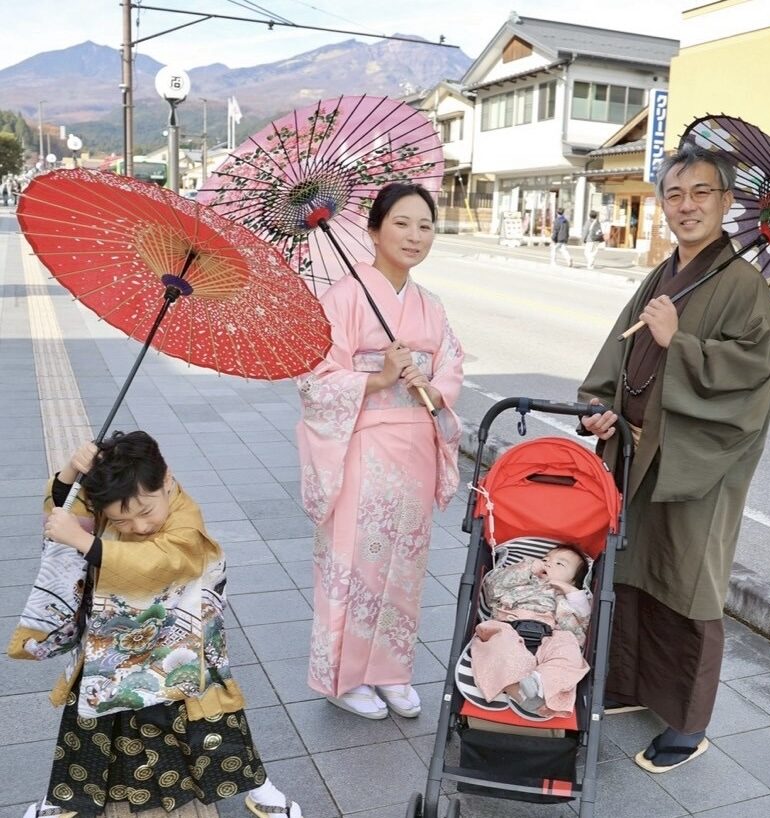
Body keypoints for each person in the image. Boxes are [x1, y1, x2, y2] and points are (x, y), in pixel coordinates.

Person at [576, 143, 770, 772]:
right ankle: (631, 685)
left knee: (689, 586)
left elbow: (752, 371)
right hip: (637, 453)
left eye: (701, 193)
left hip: (698, 465)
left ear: (726, 202)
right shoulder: (662, 274)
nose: (686, 205)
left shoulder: (744, 285)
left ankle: (689, 725)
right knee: (632, 574)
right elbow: (619, 351)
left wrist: (681, 342)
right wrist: (599, 406)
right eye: (675, 194)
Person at [15, 432, 301, 818]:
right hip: (116, 638)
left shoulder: (186, 517)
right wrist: (71, 470)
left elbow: (161, 561)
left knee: (208, 719)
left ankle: (260, 788)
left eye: (146, 511)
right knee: (94, 712)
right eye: (120, 519)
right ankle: (67, 798)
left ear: (166, 481)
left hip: (181, 640)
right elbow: (69, 510)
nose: (138, 525)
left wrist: (84, 543)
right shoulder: (124, 495)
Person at [296, 182, 464, 721]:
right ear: (372, 230)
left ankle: (390, 671)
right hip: (361, 444)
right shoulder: (343, 297)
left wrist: (434, 388)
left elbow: (451, 367)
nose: (416, 235)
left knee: (405, 565)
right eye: (402, 223)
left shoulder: (431, 306)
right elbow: (315, 379)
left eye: (425, 225)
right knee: (355, 561)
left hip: (414, 440)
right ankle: (344, 676)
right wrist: (378, 379)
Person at [470, 546, 592, 717]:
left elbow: (581, 624)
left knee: (569, 651)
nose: (548, 563)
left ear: (572, 580)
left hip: (549, 635)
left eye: (560, 564)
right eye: (546, 559)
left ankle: (540, 682)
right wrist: (526, 568)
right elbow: (491, 587)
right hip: (509, 626)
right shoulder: (522, 582)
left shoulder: (565, 597)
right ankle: (520, 692)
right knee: (499, 648)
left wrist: (571, 591)